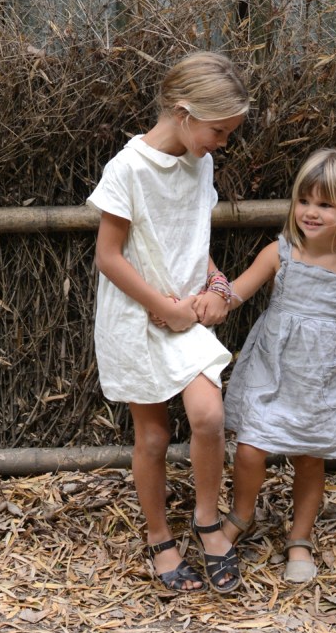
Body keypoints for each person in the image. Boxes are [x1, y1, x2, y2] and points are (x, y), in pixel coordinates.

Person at [88, 51, 250, 595]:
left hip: (185, 312)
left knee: (208, 415)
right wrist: (163, 306)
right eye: (219, 131)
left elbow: (190, 244)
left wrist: (219, 285)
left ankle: (207, 521)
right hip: (137, 315)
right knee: (153, 434)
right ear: (183, 113)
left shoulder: (199, 162)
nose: (222, 143)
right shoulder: (128, 168)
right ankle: (160, 537)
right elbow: (109, 257)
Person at [216, 148, 336, 583]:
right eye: (304, 201)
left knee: (309, 459)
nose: (310, 213)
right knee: (249, 447)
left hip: (322, 378)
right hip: (272, 370)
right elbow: (237, 292)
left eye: (325, 204)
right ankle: (240, 516)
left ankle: (299, 537)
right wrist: (208, 302)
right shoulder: (280, 253)